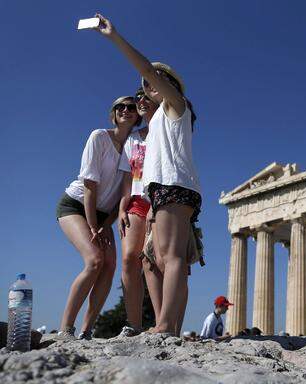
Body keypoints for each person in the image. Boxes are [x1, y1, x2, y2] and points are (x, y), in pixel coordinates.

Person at [95, 14, 202, 336]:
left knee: (169, 259)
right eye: (143, 87)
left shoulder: (175, 104)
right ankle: (169, 324)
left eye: (151, 82)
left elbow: (144, 69)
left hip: (173, 186)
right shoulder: (157, 120)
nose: (145, 88)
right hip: (166, 189)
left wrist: (115, 37)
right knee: (167, 259)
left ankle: (166, 325)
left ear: (166, 83)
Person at [56, 96, 140, 340]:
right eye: (120, 107)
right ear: (113, 113)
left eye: (131, 107)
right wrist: (93, 225)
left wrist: (105, 224)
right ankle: (65, 329)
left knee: (110, 265)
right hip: (76, 204)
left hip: (105, 215)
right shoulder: (99, 137)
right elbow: (90, 185)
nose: (126, 110)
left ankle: (86, 331)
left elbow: (123, 194)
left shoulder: (133, 146)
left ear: (137, 116)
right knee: (94, 260)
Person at [117, 88, 161, 337]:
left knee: (153, 261)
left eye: (146, 97)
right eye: (138, 99)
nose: (141, 102)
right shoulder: (133, 138)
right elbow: (127, 175)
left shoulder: (167, 129)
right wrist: (122, 206)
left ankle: (162, 322)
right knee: (128, 259)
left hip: (161, 200)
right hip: (136, 201)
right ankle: (133, 324)